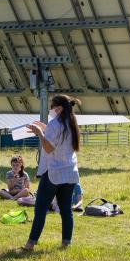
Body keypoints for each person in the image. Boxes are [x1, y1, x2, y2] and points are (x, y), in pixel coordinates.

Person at [22, 95, 81, 251]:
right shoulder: (72, 123)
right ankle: (66, 242)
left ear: (59, 108)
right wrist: (44, 128)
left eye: (52, 106)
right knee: (66, 210)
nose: (51, 110)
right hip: (70, 173)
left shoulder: (55, 124)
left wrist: (40, 133)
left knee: (40, 209)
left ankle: (30, 244)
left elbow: (49, 148)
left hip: (54, 172)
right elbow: (59, 138)